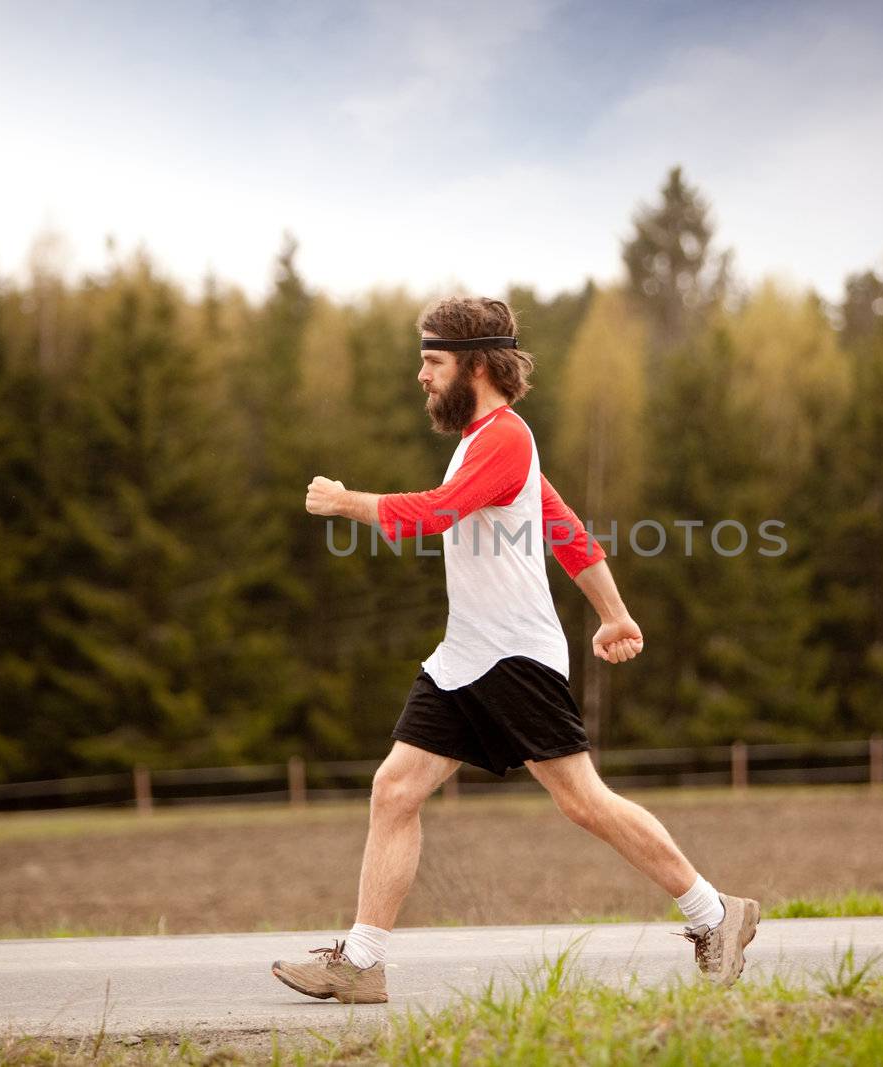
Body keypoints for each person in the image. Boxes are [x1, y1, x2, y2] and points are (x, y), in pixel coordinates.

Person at [271, 296, 758, 1005]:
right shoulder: (487, 444)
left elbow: (431, 516)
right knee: (395, 788)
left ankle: (718, 913)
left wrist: (348, 502)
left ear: (475, 364)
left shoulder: (506, 439)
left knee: (585, 803)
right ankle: (363, 961)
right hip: (468, 653)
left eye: (431, 362)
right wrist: (616, 614)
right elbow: (565, 532)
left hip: (514, 659)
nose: (421, 376)